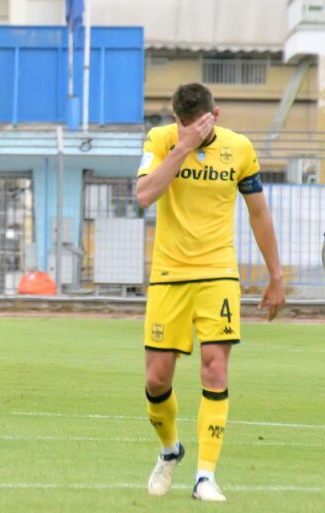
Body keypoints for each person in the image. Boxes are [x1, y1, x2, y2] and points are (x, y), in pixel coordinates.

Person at [136, 83, 285, 501]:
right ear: (176, 119)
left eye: (197, 125)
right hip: (169, 274)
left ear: (214, 116)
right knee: (156, 379)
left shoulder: (239, 149)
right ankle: (170, 450)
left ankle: (205, 477)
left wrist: (276, 275)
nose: (189, 130)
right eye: (183, 124)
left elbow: (259, 212)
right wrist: (182, 147)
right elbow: (144, 195)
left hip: (218, 273)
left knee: (215, 368)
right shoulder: (161, 140)